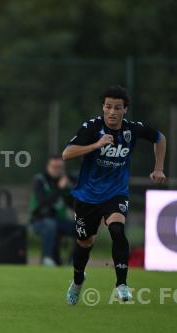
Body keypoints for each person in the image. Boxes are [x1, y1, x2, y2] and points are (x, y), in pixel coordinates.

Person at [62, 85, 166, 305]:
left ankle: (121, 284)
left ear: (125, 110)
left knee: (117, 229)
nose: (112, 112)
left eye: (117, 108)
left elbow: (159, 138)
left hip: (115, 193)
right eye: (108, 107)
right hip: (87, 196)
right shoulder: (91, 127)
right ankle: (78, 280)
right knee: (84, 242)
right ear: (103, 107)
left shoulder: (132, 130)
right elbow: (66, 153)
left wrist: (158, 168)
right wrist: (96, 144)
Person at [29, 155, 77, 266]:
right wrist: (59, 188)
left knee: (82, 228)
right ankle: (47, 259)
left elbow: (73, 203)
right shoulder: (40, 180)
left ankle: (74, 260)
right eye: (54, 167)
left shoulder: (66, 181)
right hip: (39, 220)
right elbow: (43, 203)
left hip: (58, 220)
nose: (57, 170)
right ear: (48, 167)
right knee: (51, 224)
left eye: (60, 167)